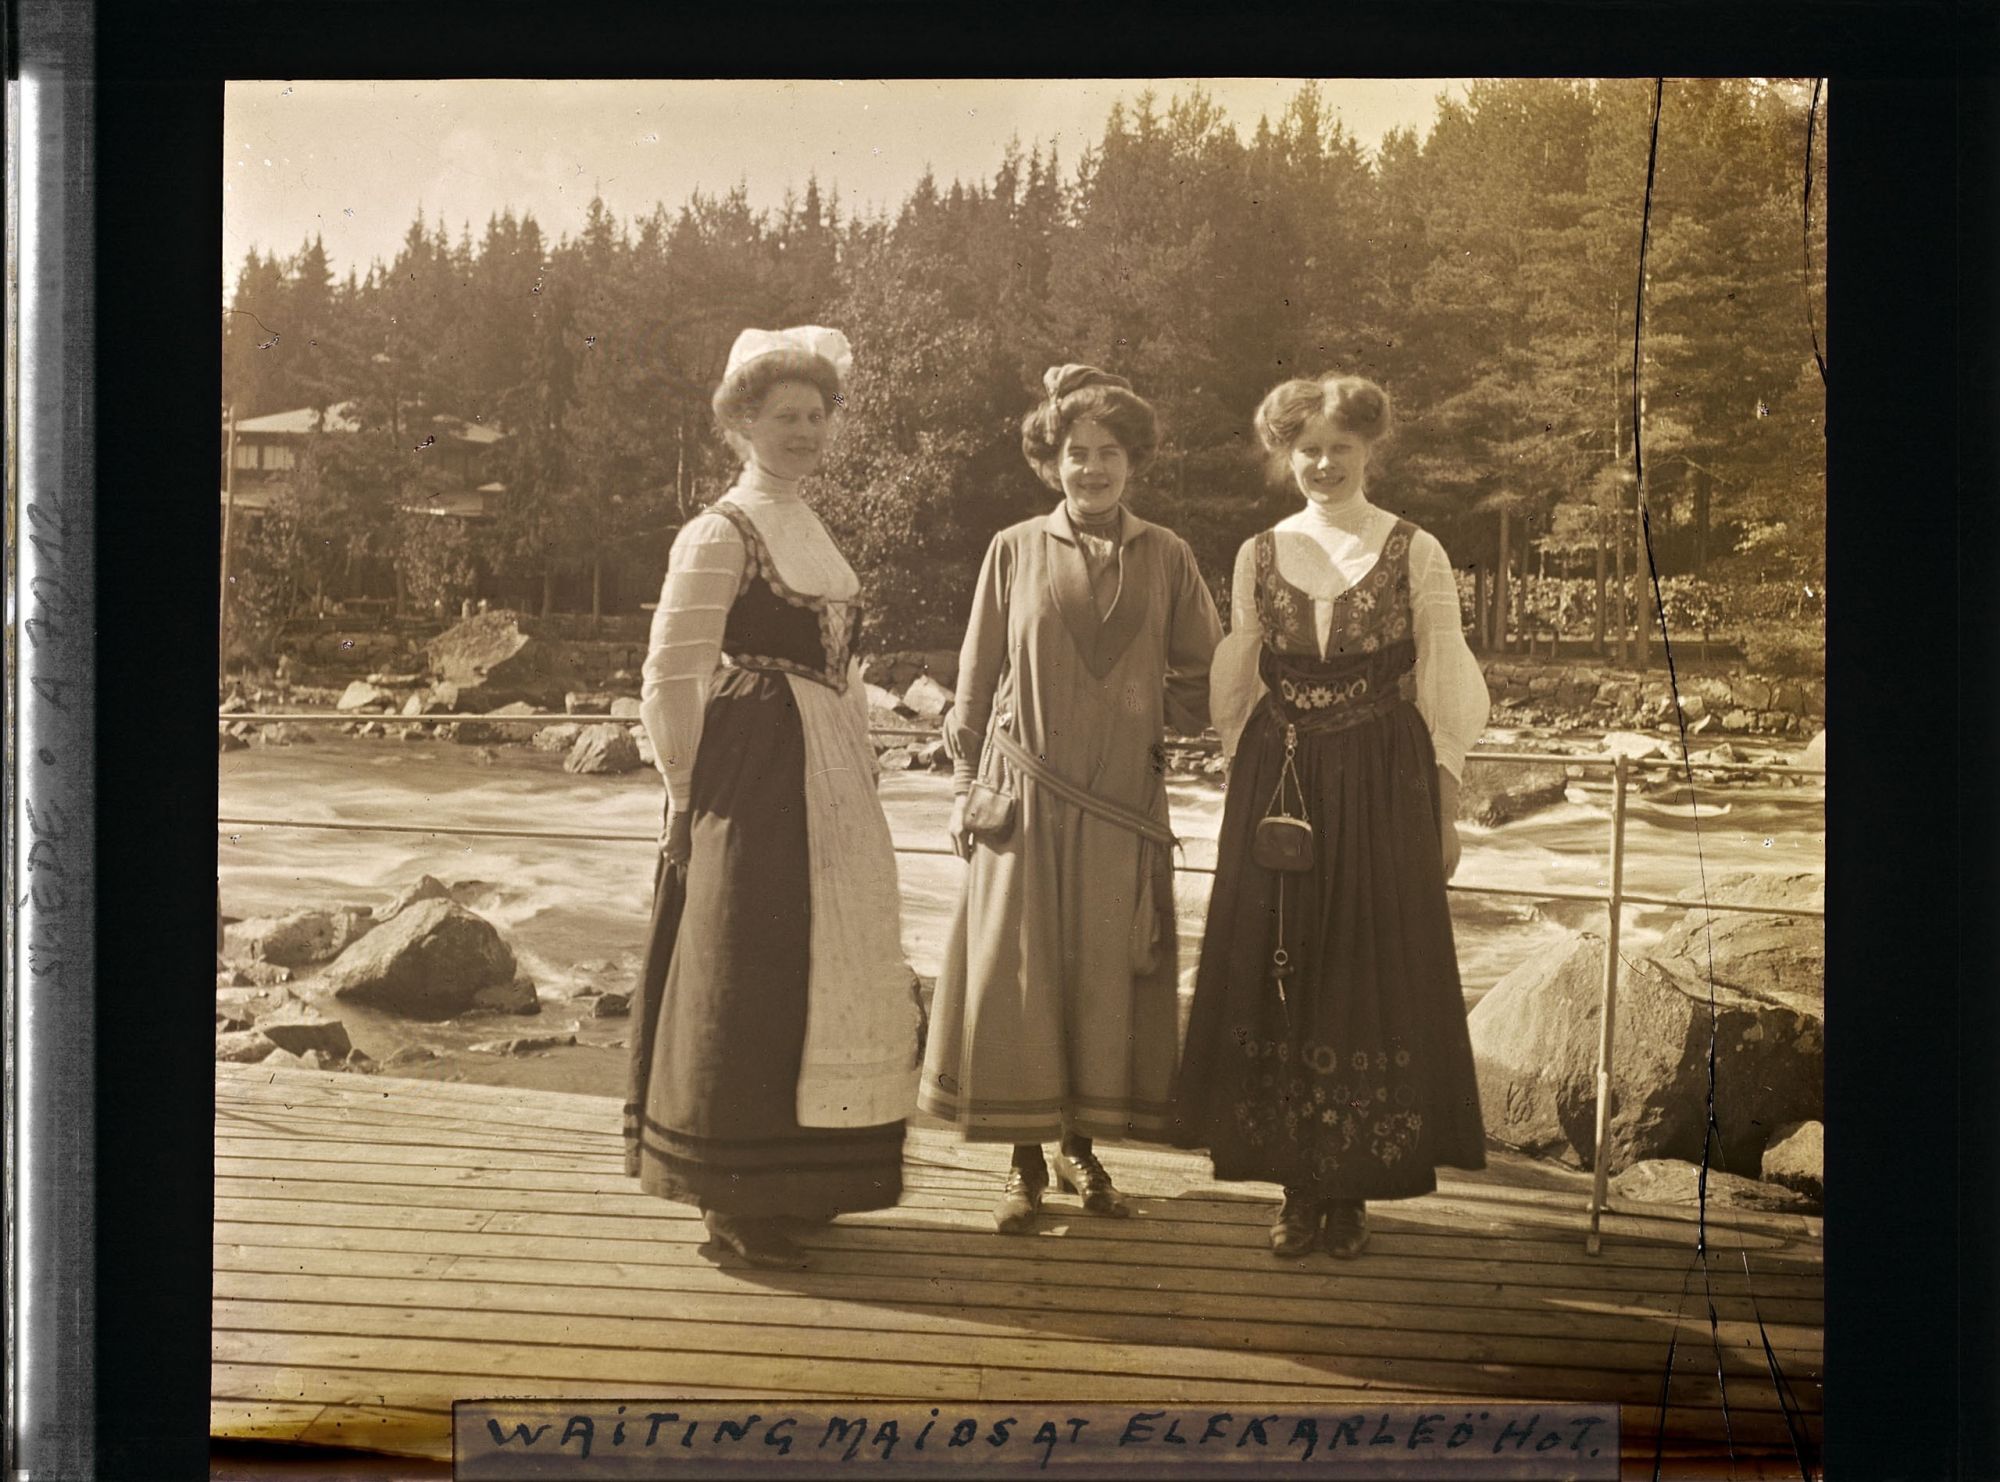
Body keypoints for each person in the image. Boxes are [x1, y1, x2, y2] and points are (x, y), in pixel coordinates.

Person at [1171, 373, 1490, 1260]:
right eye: (1306, 449)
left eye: (1338, 447)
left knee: (1365, 967)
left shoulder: (1414, 549)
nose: (1321, 464)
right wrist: (1244, 785)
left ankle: (1351, 1192)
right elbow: (1240, 681)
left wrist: (1445, 805)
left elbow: (1444, 672)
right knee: (1284, 966)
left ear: (1368, 449)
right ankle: (1296, 1188)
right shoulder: (1259, 551)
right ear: (1286, 454)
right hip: (1281, 780)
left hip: (1382, 778)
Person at [626, 325, 921, 1268]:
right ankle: (733, 1199)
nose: (804, 431)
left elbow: (844, 668)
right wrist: (684, 796)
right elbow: (671, 674)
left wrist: (861, 757)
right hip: (752, 769)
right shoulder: (721, 531)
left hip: (828, 768)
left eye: (817, 415)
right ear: (742, 422)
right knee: (749, 960)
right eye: (785, 415)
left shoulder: (812, 526)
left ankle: (800, 1181)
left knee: (826, 959)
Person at [919, 364, 1223, 1233]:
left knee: (1103, 981)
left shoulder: (1168, 555)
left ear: (1135, 461)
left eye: (1109, 452)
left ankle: (1081, 1151)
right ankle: (1023, 1163)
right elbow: (975, 679)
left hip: (1123, 805)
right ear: (1051, 462)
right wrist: (964, 787)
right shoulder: (1013, 548)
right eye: (1076, 453)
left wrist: (1145, 719)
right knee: (1021, 981)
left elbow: (1209, 671)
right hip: (1024, 799)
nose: (1092, 468)